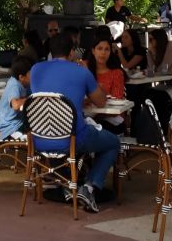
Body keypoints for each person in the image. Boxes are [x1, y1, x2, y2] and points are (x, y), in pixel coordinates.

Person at [28, 55, 119, 213]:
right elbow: (101, 102)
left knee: (63, 141)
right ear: (71, 53)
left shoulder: (36, 69)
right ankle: (89, 187)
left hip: (39, 138)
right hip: (73, 138)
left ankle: (68, 185)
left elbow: (46, 98)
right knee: (113, 142)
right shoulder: (81, 71)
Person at [0, 55, 34, 139]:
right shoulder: (14, 85)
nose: (34, 76)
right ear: (21, 77)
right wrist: (33, 98)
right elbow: (15, 105)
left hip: (16, 124)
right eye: (31, 74)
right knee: (37, 134)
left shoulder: (23, 84)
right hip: (10, 129)